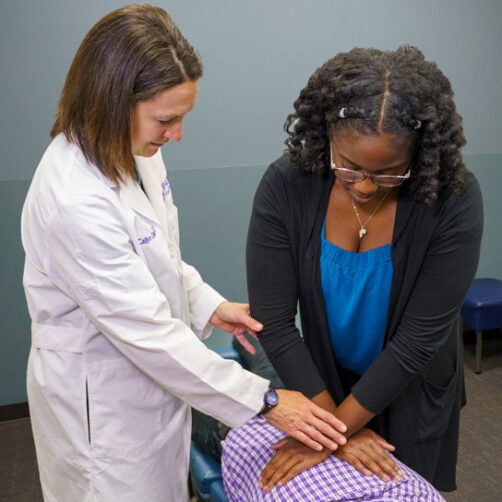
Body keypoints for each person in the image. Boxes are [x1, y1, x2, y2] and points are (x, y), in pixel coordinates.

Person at [20, 5, 348, 501]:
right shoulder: (73, 197)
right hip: (101, 406)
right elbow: (146, 332)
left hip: (151, 385)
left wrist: (211, 305)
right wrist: (266, 399)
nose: (177, 135)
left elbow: (160, 258)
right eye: (166, 119)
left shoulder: (135, 152)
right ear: (111, 101)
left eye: (182, 117)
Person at [246, 45, 483, 493]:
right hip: (321, 378)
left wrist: (329, 435)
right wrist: (335, 430)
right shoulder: (288, 184)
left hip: (411, 382)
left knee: (405, 485)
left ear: (420, 156)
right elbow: (274, 322)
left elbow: (415, 343)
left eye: (390, 173)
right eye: (348, 167)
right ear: (327, 137)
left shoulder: (452, 198)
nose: (365, 187)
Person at [192, 335, 445, 501]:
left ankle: (237, 337)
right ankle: (246, 332)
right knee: (265, 355)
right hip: (304, 410)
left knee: (186, 383)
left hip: (238, 425)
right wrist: (339, 436)